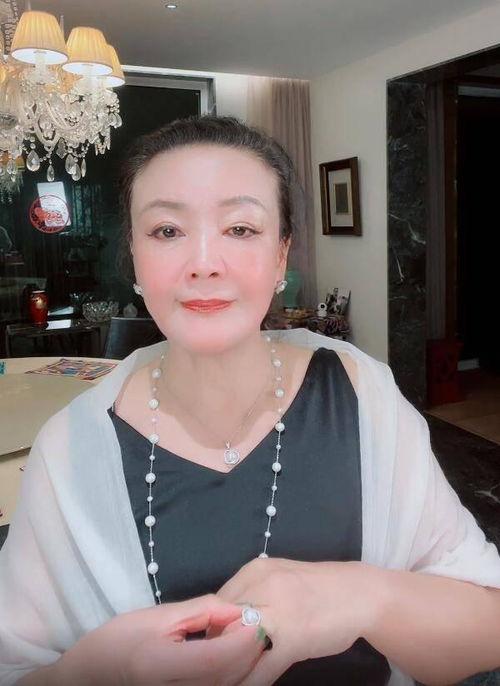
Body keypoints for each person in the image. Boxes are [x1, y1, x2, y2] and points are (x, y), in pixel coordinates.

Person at [1, 115, 500, 686]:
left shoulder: (362, 396)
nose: (204, 262)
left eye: (240, 228)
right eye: (167, 231)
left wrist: (363, 597)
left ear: (282, 254)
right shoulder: (70, 448)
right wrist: (99, 672)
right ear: (134, 257)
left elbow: (487, 621)